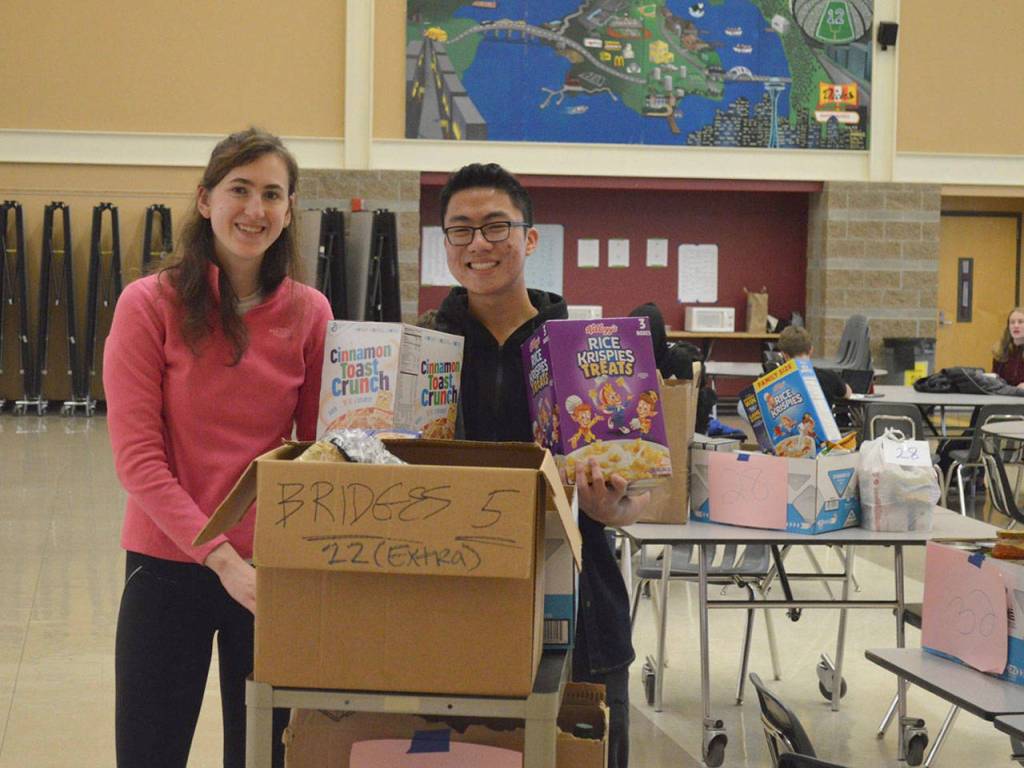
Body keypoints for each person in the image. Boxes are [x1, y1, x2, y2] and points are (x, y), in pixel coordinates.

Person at [103, 128, 332, 768]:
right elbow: (138, 461)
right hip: (168, 562)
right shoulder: (148, 304)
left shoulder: (310, 312)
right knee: (151, 749)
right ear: (205, 200)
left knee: (265, 755)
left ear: (289, 212)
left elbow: (317, 448)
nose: (254, 210)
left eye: (272, 194)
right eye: (239, 190)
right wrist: (222, 558)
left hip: (271, 573)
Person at [432, 163, 645, 768]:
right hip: (455, 606)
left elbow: (641, 493)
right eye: (461, 230)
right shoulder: (423, 351)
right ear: (445, 245)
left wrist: (616, 504)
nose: (479, 244)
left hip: (580, 614)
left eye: (497, 226)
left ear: (529, 239)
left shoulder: (591, 350)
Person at [777, 325, 852, 406]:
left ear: (784, 355)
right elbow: (848, 393)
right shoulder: (828, 376)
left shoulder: (777, 381)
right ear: (811, 350)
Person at [993, 307, 1024, 387]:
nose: (1016, 326)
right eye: (1012, 322)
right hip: (1005, 396)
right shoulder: (1000, 350)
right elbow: (995, 379)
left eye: (1020, 322)